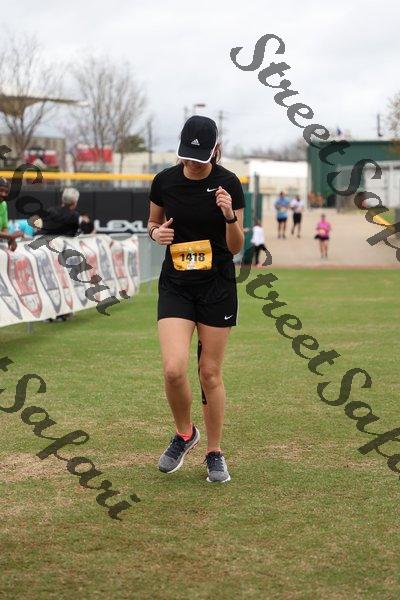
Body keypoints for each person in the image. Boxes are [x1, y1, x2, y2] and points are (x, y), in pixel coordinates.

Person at [147, 115, 245, 483]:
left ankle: (214, 452)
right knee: (174, 370)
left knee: (209, 373)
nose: (193, 163)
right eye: (188, 155)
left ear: (216, 150)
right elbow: (152, 224)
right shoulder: (164, 181)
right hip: (176, 284)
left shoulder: (228, 183)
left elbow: (236, 247)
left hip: (216, 286)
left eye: (201, 158)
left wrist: (229, 216)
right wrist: (156, 234)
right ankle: (185, 433)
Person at [0, 177, 24, 251]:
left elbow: (4, 227)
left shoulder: (3, 204)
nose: (3, 194)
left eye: (6, 192)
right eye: (1, 190)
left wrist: (10, 239)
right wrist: (10, 236)